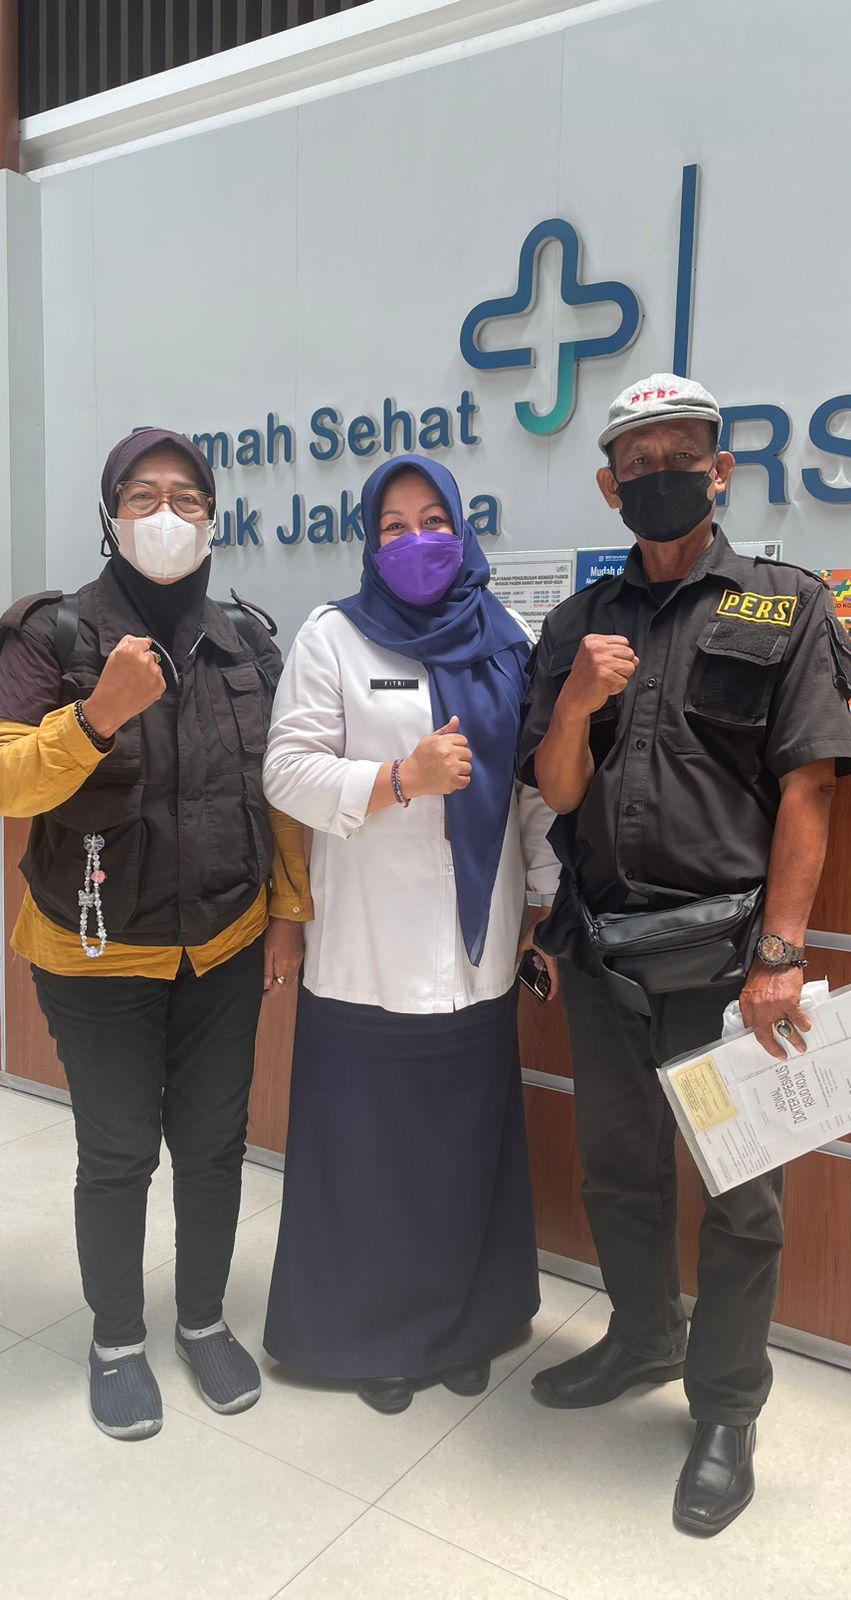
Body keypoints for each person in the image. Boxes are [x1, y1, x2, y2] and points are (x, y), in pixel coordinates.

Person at [519, 374, 851, 1535]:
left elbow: (809, 789)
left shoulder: (785, 606)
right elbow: (558, 788)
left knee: (741, 1195)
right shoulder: (577, 624)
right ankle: (640, 1338)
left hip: (727, 968)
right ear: (608, 487)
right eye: (638, 463)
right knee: (618, 1170)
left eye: (682, 458)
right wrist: (576, 700)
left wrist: (781, 952)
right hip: (605, 956)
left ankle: (724, 1409)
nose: (659, 476)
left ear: (720, 472)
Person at [0, 428, 312, 1440]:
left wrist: (288, 913)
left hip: (226, 939)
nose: (166, 514)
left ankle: (204, 1321)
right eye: (142, 495)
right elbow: (7, 779)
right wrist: (95, 716)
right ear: (110, 514)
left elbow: (278, 789)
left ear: (214, 517)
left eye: (187, 497)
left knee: (215, 1145)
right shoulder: (50, 634)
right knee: (119, 1149)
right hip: (95, 951)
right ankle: (116, 1338)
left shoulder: (248, 640)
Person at [261, 453, 559, 1413]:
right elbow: (286, 771)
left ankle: (466, 1325)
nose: (417, 540)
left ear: (463, 530)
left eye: (434, 520)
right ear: (369, 541)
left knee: (465, 1150)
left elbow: (529, 791)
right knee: (372, 1155)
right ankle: (372, 1338)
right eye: (394, 526)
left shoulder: (508, 637)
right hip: (370, 953)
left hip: (478, 949)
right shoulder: (332, 636)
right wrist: (399, 780)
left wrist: (542, 902)